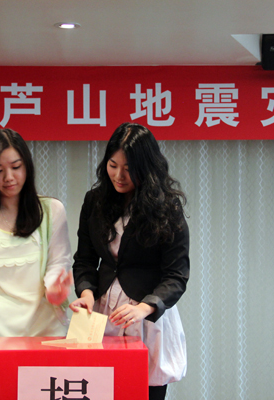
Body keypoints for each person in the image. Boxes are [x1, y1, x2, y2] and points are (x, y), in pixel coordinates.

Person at [70, 122, 189, 400]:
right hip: (102, 314)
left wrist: (146, 307)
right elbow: (84, 260)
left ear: (146, 168)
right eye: (113, 165)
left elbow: (176, 275)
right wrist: (86, 294)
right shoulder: (95, 201)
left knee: (145, 390)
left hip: (147, 318)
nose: (118, 175)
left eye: (128, 168)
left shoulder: (167, 207)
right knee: (98, 390)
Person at [0, 129, 72, 400]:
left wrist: (55, 290)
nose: (9, 177)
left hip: (45, 337)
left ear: (27, 167)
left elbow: (59, 262)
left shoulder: (51, 211)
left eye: (16, 167)